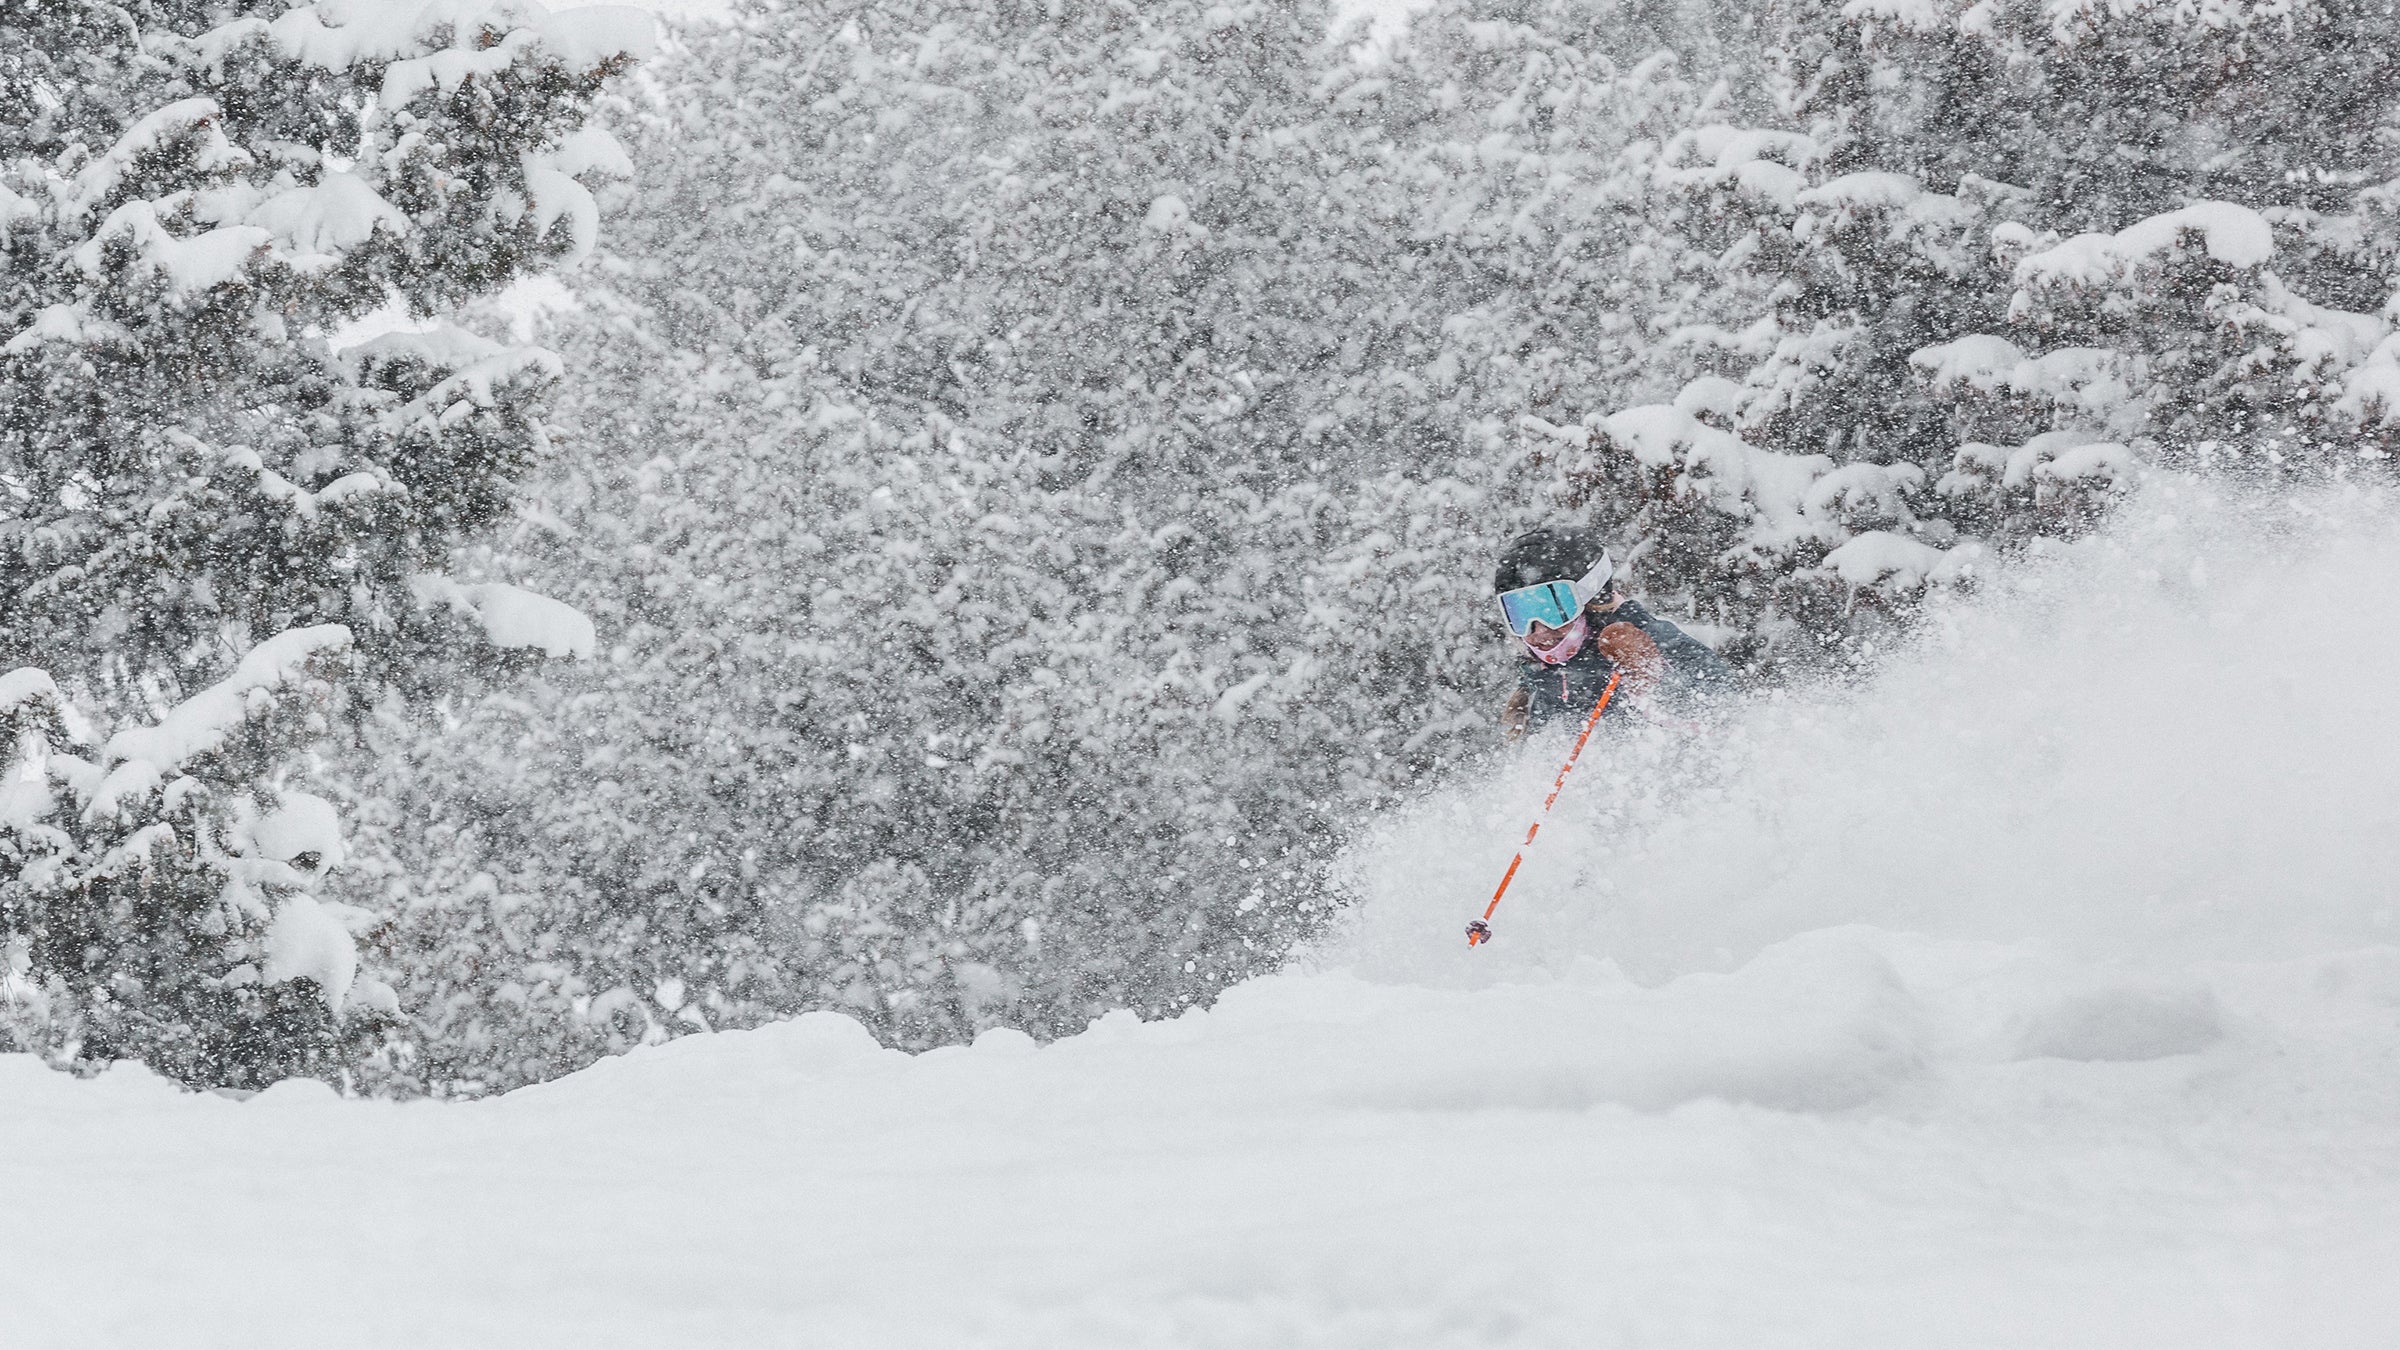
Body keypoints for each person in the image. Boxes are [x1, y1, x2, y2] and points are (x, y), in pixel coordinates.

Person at [1493, 525, 1736, 739]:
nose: (1539, 630)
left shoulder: (1647, 639)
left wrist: (1653, 674)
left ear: (1591, 599)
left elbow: (1726, 706)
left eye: (1553, 609)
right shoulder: (1543, 675)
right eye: (1520, 615)